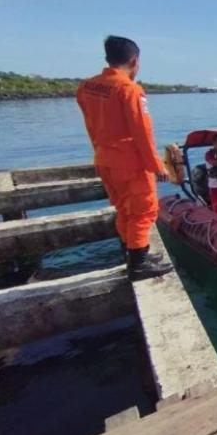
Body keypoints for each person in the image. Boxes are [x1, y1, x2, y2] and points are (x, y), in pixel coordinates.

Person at [76, 35, 172, 280]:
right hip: (130, 163)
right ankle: (138, 265)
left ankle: (133, 254)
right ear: (134, 60)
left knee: (124, 209)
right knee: (144, 211)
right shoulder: (130, 90)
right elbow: (142, 132)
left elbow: (91, 126)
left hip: (104, 159)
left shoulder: (86, 87)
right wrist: (157, 166)